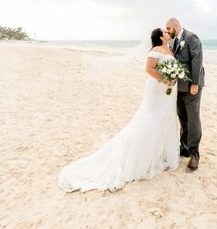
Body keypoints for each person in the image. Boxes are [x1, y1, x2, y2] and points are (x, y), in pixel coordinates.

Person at [58, 28, 179, 192]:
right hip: (157, 88)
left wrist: (172, 79)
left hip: (168, 92)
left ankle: (160, 154)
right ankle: (141, 156)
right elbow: (149, 69)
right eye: (165, 31)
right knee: (150, 118)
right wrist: (165, 80)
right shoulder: (156, 50)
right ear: (160, 36)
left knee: (164, 118)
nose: (167, 32)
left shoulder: (169, 49)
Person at [165, 17, 205, 171]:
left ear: (176, 25)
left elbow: (197, 60)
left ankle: (194, 155)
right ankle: (184, 147)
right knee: (182, 117)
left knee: (193, 119)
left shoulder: (191, 38)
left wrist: (194, 83)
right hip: (178, 87)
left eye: (168, 28)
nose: (168, 32)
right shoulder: (172, 41)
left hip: (191, 86)